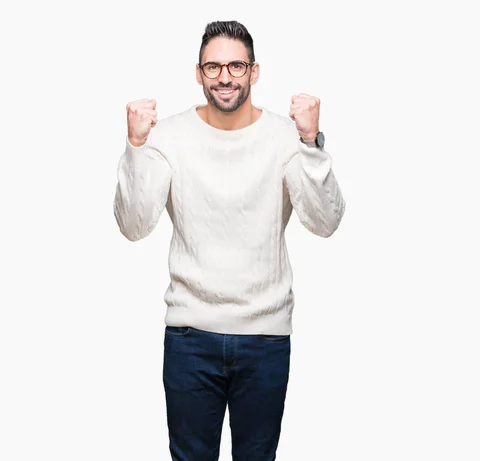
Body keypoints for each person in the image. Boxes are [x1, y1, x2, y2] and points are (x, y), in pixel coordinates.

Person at [113, 20, 346, 461]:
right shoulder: (171, 136)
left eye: (236, 66)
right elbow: (133, 225)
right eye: (213, 67)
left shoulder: (285, 137)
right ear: (198, 73)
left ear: (254, 73)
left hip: (265, 336)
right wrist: (136, 146)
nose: (225, 77)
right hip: (189, 338)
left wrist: (311, 142)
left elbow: (325, 221)